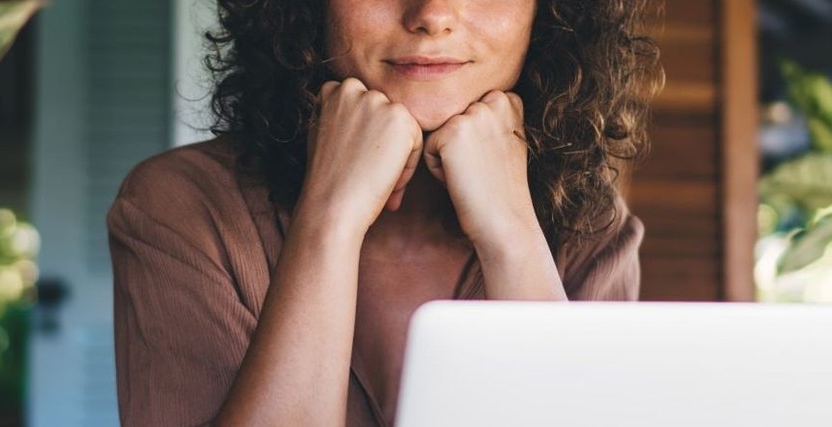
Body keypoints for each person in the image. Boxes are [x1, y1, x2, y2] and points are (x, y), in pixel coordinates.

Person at [106, 0, 662, 425]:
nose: (432, 15)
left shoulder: (590, 229)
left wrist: (512, 238)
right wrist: (330, 221)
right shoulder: (180, 205)